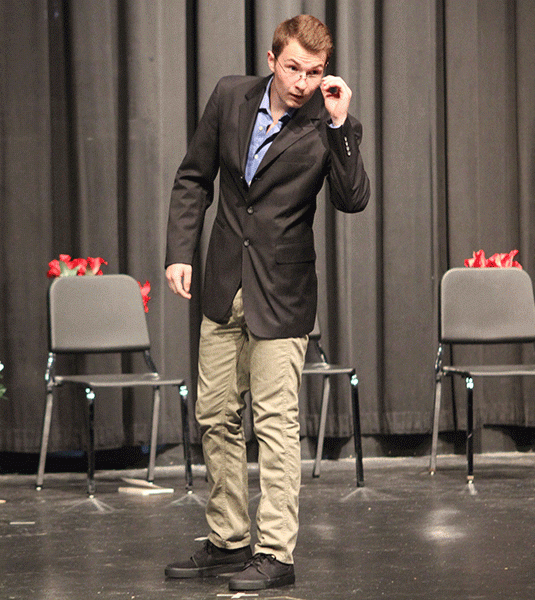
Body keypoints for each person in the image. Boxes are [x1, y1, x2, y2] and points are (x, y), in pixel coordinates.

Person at [162, 14, 370, 592]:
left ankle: (276, 554)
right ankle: (229, 541)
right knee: (215, 416)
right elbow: (193, 178)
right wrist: (181, 250)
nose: (304, 82)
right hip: (224, 283)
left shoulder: (326, 123)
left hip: (282, 295)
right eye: (295, 69)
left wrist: (339, 123)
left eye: (316, 71)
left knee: (275, 426)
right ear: (273, 59)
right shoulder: (231, 95)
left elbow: (353, 199)